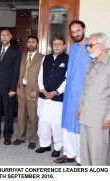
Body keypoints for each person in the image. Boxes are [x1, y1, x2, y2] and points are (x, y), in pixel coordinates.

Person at [54, 20, 91, 165]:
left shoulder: (91, 46)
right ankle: (69, 153)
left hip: (82, 93)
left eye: (78, 31)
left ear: (83, 29)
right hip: (69, 93)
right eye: (73, 32)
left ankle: (81, 158)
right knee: (67, 124)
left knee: (78, 125)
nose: (76, 34)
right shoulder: (73, 47)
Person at [77, 32, 110, 166]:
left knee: (98, 155)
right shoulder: (91, 62)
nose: (88, 48)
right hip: (85, 114)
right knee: (85, 153)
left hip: (100, 118)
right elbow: (85, 88)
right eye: (87, 45)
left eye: (91, 45)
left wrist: (108, 117)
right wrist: (80, 107)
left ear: (102, 45)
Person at [36, 35, 68, 157]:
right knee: (43, 121)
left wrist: (57, 91)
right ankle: (45, 144)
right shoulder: (46, 58)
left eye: (60, 44)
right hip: (43, 96)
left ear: (64, 45)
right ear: (52, 46)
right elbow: (40, 74)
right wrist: (42, 89)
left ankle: (58, 146)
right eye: (55, 44)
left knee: (56, 123)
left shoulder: (68, 59)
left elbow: (67, 79)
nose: (57, 46)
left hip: (57, 98)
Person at [0, 29, 21, 145]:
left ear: (10, 37)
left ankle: (7, 135)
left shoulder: (16, 52)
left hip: (9, 88)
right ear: (0, 37)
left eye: (7, 35)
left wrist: (13, 88)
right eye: (2, 35)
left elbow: (16, 71)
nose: (4, 37)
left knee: (8, 113)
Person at [13, 35, 44, 149]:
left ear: (37, 44)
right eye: (29, 42)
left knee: (33, 117)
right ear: (26, 44)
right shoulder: (22, 56)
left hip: (33, 90)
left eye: (33, 42)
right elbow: (17, 72)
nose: (31, 44)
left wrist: (37, 90)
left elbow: (43, 76)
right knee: (20, 115)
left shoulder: (42, 58)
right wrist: (17, 87)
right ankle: (20, 137)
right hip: (22, 89)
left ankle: (33, 139)